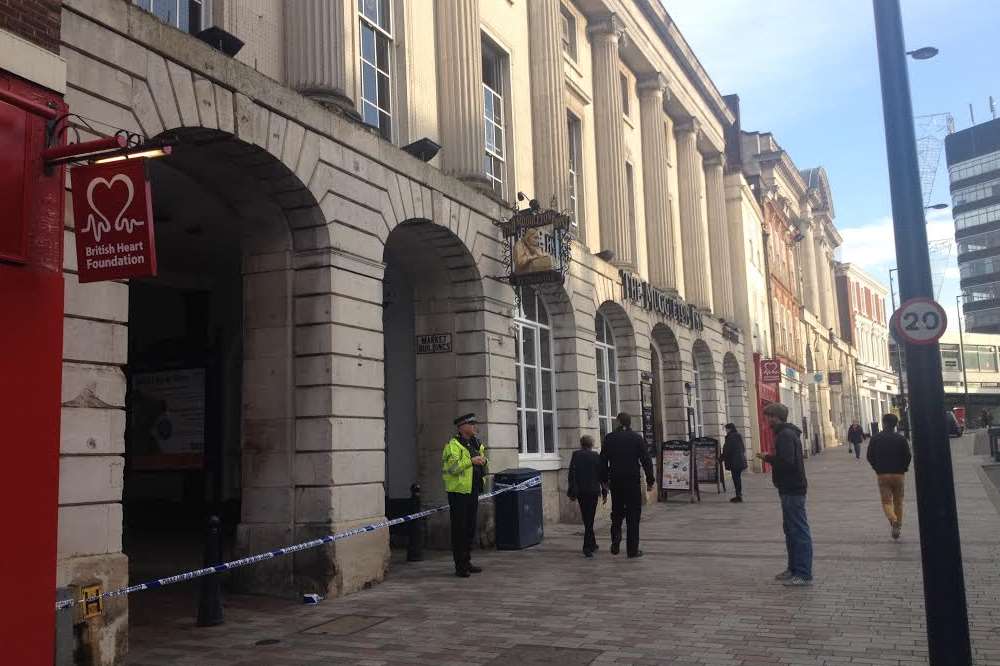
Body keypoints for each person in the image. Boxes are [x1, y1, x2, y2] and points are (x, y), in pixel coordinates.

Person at [756, 402, 813, 587]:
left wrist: (768, 458)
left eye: (768, 416)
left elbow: (787, 462)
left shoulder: (785, 435)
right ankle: (793, 569)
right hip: (788, 488)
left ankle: (803, 573)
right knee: (790, 530)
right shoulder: (784, 433)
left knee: (798, 530)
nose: (766, 420)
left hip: (793, 488)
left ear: (776, 417)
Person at [600, 412, 655, 558]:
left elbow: (602, 461)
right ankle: (632, 549)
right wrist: (650, 481)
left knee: (617, 512)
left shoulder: (609, 438)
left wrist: (604, 481)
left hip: (616, 480)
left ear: (618, 421)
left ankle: (616, 538)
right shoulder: (636, 438)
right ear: (630, 423)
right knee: (633, 515)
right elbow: (646, 460)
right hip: (632, 481)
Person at [441, 413, 488, 577]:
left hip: (472, 490)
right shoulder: (453, 445)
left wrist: (483, 461)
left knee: (469, 528)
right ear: (462, 427)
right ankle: (459, 566)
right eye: (472, 424)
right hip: (458, 492)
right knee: (459, 530)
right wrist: (471, 462)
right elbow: (452, 469)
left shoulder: (475, 442)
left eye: (475, 423)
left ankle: (467, 561)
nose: (475, 426)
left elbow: (481, 459)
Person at [866, 413, 912, 540]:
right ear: (896, 424)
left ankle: (893, 519)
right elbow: (908, 456)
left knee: (886, 501)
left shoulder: (876, 438)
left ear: (883, 423)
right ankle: (898, 524)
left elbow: (869, 456)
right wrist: (904, 468)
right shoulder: (901, 439)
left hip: (883, 474)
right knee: (898, 501)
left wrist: (876, 468)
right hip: (899, 474)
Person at [567, 435, 607, 557]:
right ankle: (587, 547)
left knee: (587, 518)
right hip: (593, 491)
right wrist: (605, 492)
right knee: (589, 519)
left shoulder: (576, 455)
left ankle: (592, 543)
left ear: (581, 444)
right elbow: (602, 476)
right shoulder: (596, 456)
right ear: (591, 444)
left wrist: (572, 490)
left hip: (581, 492)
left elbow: (571, 474)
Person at [721, 423, 748, 503]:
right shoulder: (738, 436)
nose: (726, 430)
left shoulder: (730, 437)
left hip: (734, 461)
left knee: (736, 478)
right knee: (737, 478)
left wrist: (720, 459)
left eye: (726, 429)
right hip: (739, 460)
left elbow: (727, 450)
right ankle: (738, 495)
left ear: (730, 429)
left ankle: (738, 496)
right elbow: (743, 449)